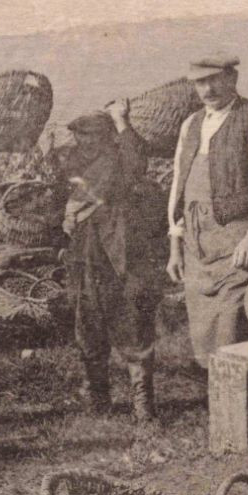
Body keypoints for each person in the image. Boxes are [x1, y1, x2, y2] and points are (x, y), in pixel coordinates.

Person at [166, 54, 248, 367]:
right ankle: (217, 403)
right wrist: (175, 247)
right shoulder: (190, 125)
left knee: (232, 325)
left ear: (232, 79)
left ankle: (243, 402)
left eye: (214, 80)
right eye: (200, 82)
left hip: (236, 240)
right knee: (203, 331)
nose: (208, 89)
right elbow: (179, 188)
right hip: (197, 244)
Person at [59, 102, 168, 422]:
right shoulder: (75, 165)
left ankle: (142, 402)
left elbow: (136, 162)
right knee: (88, 325)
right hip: (84, 256)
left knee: (133, 322)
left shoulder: (120, 159)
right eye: (81, 135)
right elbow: (62, 202)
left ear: (108, 136)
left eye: (93, 135)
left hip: (120, 253)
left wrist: (122, 121)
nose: (86, 141)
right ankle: (99, 398)